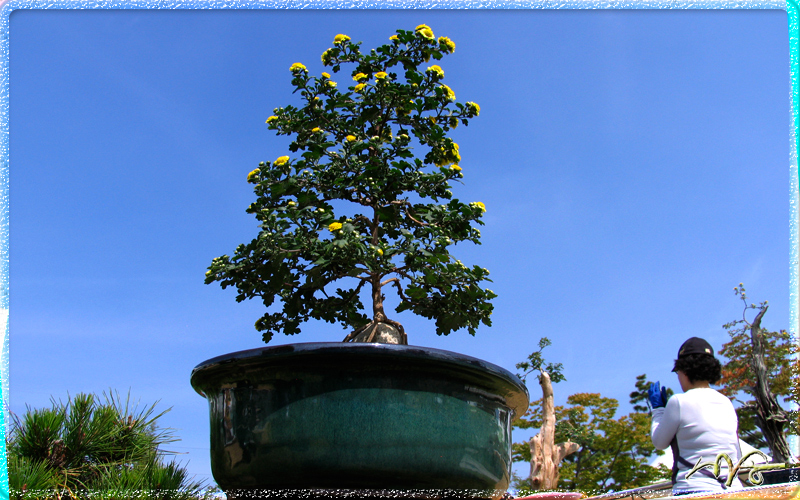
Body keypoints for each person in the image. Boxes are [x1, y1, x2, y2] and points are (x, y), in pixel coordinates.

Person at [649, 337, 743, 495]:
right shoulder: (726, 402)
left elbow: (659, 442)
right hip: (733, 490)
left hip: (695, 489)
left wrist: (658, 410)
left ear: (684, 371)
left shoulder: (679, 401)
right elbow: (737, 453)